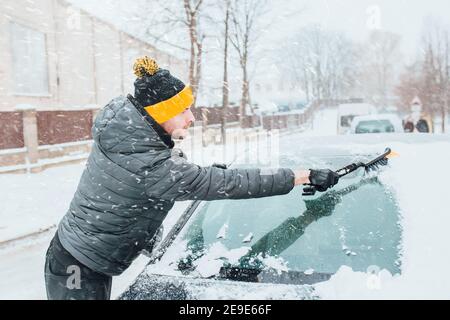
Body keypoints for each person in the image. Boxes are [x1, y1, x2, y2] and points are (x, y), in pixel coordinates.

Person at [44, 56, 339, 300]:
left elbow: (148, 187)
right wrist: (303, 175)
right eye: (183, 109)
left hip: (80, 255)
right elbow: (223, 184)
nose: (191, 117)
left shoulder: (131, 135)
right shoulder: (149, 163)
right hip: (78, 268)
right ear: (160, 113)